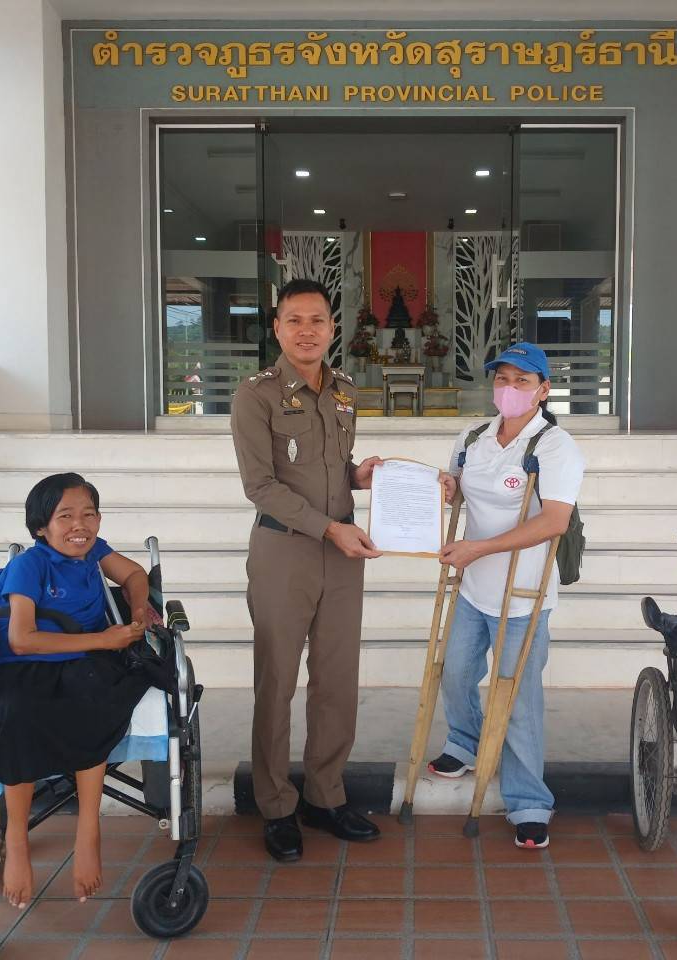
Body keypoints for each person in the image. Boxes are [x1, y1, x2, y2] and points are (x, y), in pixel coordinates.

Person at [231, 278, 384, 862]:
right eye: (294, 320)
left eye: (317, 320)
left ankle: (325, 794)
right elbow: (261, 485)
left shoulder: (343, 390)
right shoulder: (257, 396)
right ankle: (276, 805)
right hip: (284, 551)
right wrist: (329, 527)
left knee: (337, 680)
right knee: (277, 681)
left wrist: (357, 477)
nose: (306, 331)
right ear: (277, 328)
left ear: (332, 328)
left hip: (342, 554)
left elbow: (331, 466)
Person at [0, 473, 153, 909]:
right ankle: (16, 840)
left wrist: (139, 609)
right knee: (18, 714)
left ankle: (89, 832)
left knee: (95, 702)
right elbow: (21, 639)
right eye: (66, 516)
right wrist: (104, 640)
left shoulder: (95, 551)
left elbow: (134, 573)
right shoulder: (29, 566)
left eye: (89, 515)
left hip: (83, 660)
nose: (80, 526)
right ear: (41, 527)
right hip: (24, 664)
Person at [431, 343, 585, 849]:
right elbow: (458, 485)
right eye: (503, 379)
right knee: (454, 672)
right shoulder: (474, 437)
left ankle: (529, 802)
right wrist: (448, 486)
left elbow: (555, 520)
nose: (510, 388)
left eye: (523, 380)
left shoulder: (554, 446)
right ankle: (466, 741)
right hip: (474, 588)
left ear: (543, 390)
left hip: (524, 595)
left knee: (516, 698)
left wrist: (479, 548)